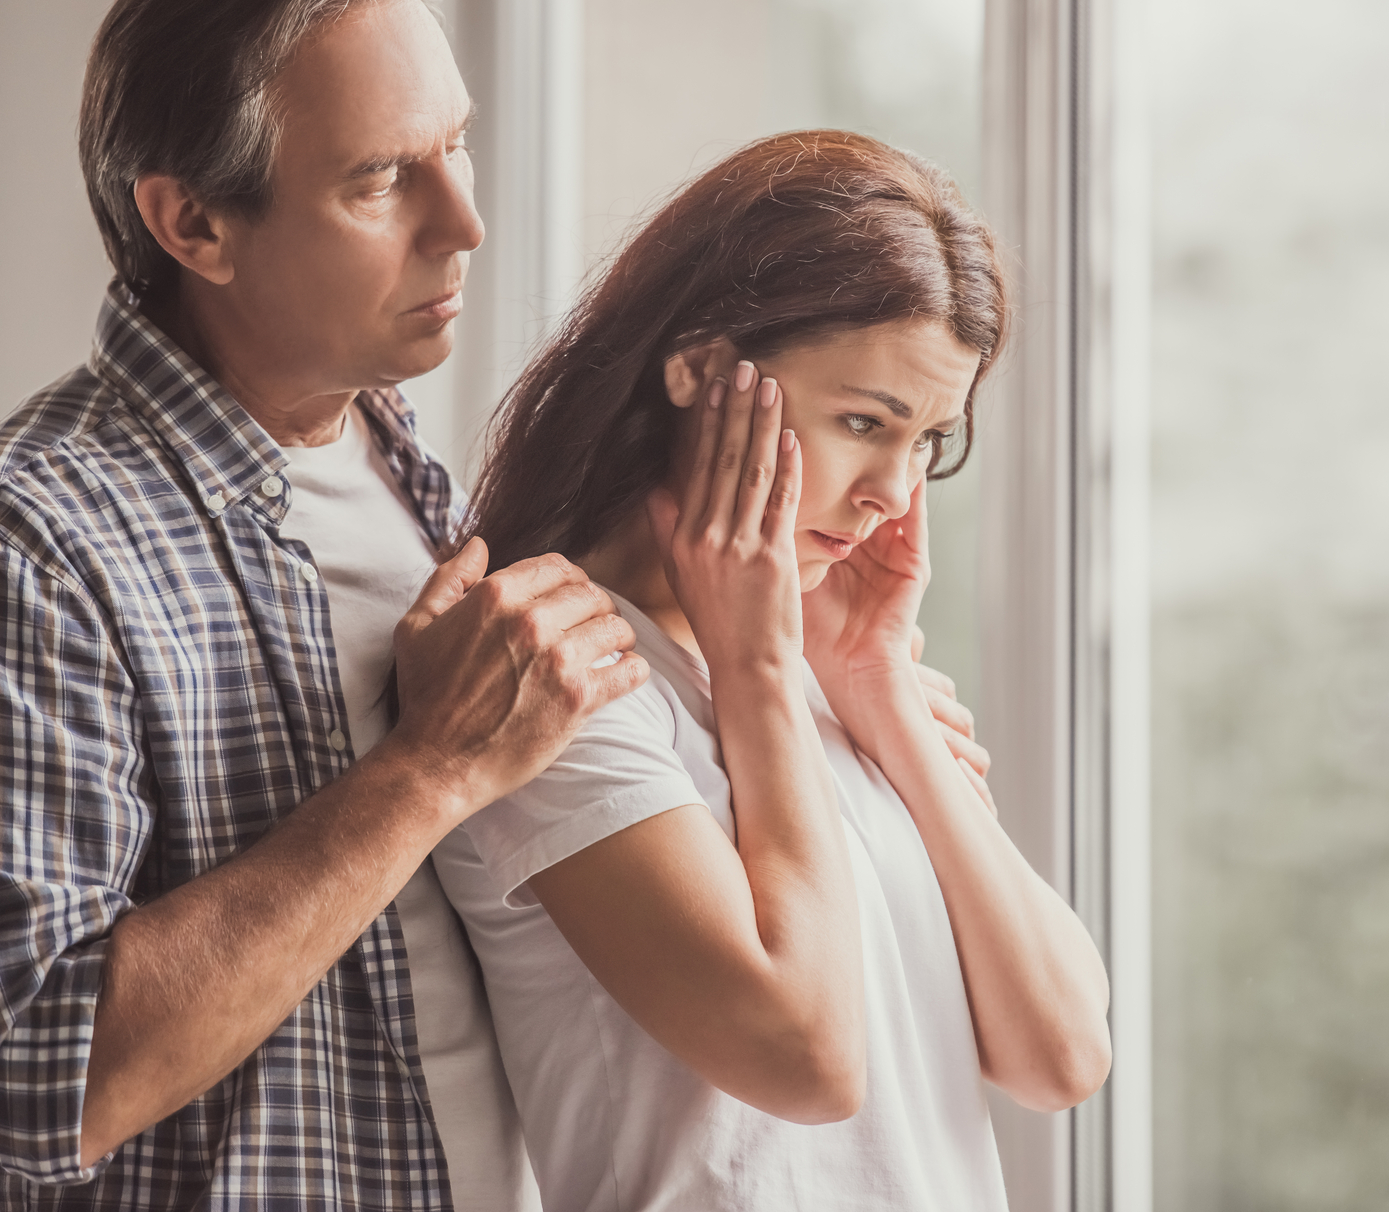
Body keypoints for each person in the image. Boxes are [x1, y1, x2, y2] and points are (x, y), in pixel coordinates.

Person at [0, 0, 652, 1209]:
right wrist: (427, 770)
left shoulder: (427, 488)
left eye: (458, 146)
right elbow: (45, 1074)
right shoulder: (10, 537)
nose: (464, 221)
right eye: (384, 177)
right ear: (194, 225)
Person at [433, 131, 1114, 1211]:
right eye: (862, 422)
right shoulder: (556, 673)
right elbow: (805, 1056)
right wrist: (755, 669)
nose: (892, 490)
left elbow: (1062, 1054)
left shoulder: (833, 681)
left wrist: (876, 680)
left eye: (927, 443)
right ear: (701, 369)